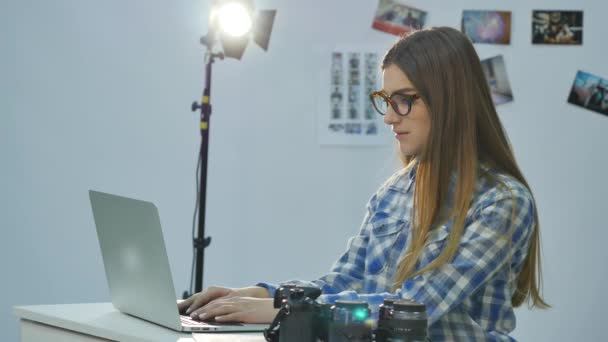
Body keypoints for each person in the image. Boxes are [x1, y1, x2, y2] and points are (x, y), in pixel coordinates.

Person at [178, 27, 549, 340]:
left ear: (450, 102)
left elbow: (414, 308)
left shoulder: (502, 202)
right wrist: (257, 293)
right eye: (386, 100)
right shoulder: (392, 194)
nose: (389, 117)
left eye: (404, 101)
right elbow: (345, 280)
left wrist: (276, 309)